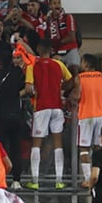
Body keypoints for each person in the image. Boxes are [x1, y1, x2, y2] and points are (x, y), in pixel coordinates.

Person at [25, 39, 73, 190]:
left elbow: (28, 88)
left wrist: (34, 91)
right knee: (58, 144)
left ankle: (35, 181)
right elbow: (71, 80)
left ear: (38, 49)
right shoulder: (59, 64)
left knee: (36, 144)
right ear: (51, 50)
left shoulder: (32, 66)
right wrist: (61, 89)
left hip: (41, 107)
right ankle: (59, 181)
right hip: (57, 107)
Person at [0, 51, 26, 190]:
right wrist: (15, 95)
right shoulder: (19, 75)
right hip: (16, 116)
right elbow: (26, 89)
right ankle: (16, 181)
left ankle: (0, 178)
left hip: (1, 116)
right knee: (16, 149)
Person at [74, 54, 102, 187]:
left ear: (86, 64)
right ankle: (101, 176)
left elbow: (77, 96)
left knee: (84, 148)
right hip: (101, 115)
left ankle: (88, 179)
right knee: (99, 148)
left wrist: (70, 98)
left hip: (86, 115)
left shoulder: (80, 77)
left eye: (82, 62)